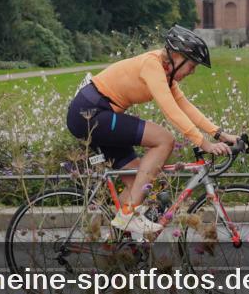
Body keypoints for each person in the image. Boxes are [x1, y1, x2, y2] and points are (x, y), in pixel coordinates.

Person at [66, 25, 239, 237]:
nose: (192, 72)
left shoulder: (166, 75)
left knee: (140, 185)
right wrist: (204, 144)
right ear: (176, 56)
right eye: (192, 65)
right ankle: (129, 214)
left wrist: (219, 134)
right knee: (164, 139)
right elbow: (171, 111)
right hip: (89, 113)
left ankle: (115, 248)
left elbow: (185, 106)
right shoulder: (152, 65)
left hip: (100, 116)